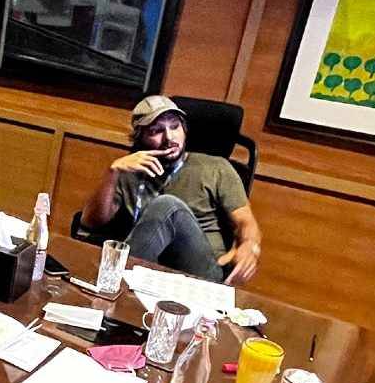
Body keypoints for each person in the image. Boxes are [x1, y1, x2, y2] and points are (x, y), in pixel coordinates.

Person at [79, 96, 261, 285]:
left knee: (167, 206)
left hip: (200, 274)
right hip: (150, 271)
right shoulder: (130, 170)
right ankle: (113, 284)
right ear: (140, 137)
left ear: (184, 129)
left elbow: (246, 221)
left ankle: (112, 284)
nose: (169, 137)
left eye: (175, 127)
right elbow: (90, 222)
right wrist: (112, 172)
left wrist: (249, 245)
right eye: (156, 131)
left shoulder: (216, 167)